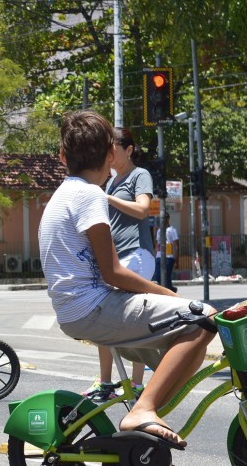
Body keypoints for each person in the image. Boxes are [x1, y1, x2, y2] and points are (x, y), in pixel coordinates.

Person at [38, 110, 217, 447]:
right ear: (110, 154)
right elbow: (114, 273)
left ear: (62, 157)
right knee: (203, 317)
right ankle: (142, 411)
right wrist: (170, 295)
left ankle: (144, 444)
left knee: (174, 355)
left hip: (76, 310)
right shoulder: (89, 195)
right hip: (93, 308)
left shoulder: (61, 195)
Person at [82, 127, 155, 402]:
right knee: (103, 312)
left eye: (113, 149)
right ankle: (105, 381)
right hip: (116, 257)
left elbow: (142, 209)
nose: (109, 155)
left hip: (137, 254)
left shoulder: (139, 175)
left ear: (129, 149)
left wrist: (106, 198)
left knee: (134, 317)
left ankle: (136, 383)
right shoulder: (111, 181)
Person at [153, 212, 179, 292]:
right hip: (159, 256)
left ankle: (171, 291)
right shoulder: (159, 231)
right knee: (156, 278)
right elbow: (157, 244)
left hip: (169, 257)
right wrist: (155, 257)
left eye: (164, 219)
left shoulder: (172, 230)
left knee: (166, 278)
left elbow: (176, 246)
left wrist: (176, 260)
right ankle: (170, 290)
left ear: (168, 219)